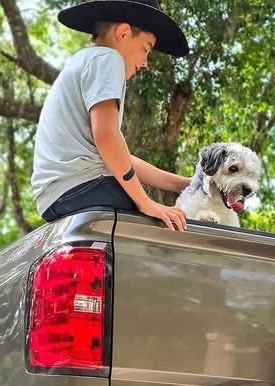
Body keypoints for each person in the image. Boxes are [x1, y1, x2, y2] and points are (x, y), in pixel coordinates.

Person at [33, 0, 192, 230]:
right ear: (123, 33)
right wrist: (145, 202)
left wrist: (183, 184)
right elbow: (107, 137)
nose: (145, 63)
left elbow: (118, 156)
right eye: (146, 49)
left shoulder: (84, 60)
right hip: (84, 186)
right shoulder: (107, 58)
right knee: (169, 228)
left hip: (58, 195)